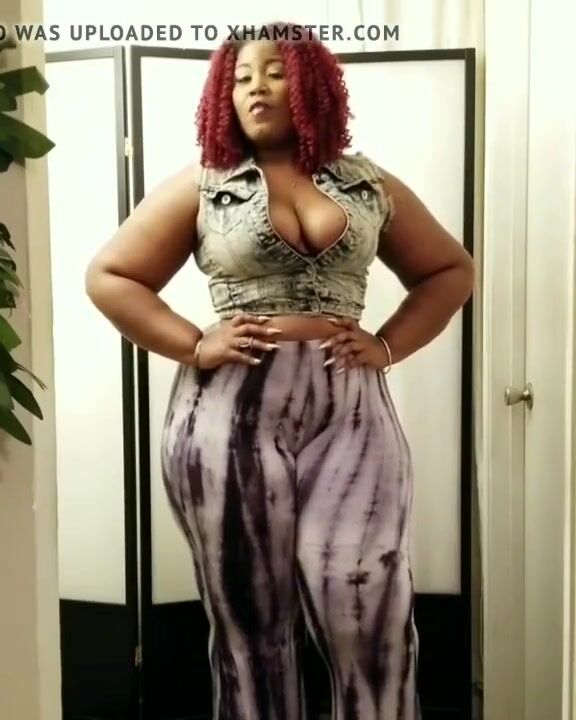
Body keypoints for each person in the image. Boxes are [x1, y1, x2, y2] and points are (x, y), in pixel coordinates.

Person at [85, 21, 474, 720]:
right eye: (240, 78)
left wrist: (387, 345)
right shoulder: (205, 186)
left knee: (366, 605)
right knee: (250, 623)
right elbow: (111, 275)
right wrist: (193, 343)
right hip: (229, 412)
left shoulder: (366, 184)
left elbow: (450, 270)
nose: (255, 89)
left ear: (311, 85)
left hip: (350, 409)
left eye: (273, 72)